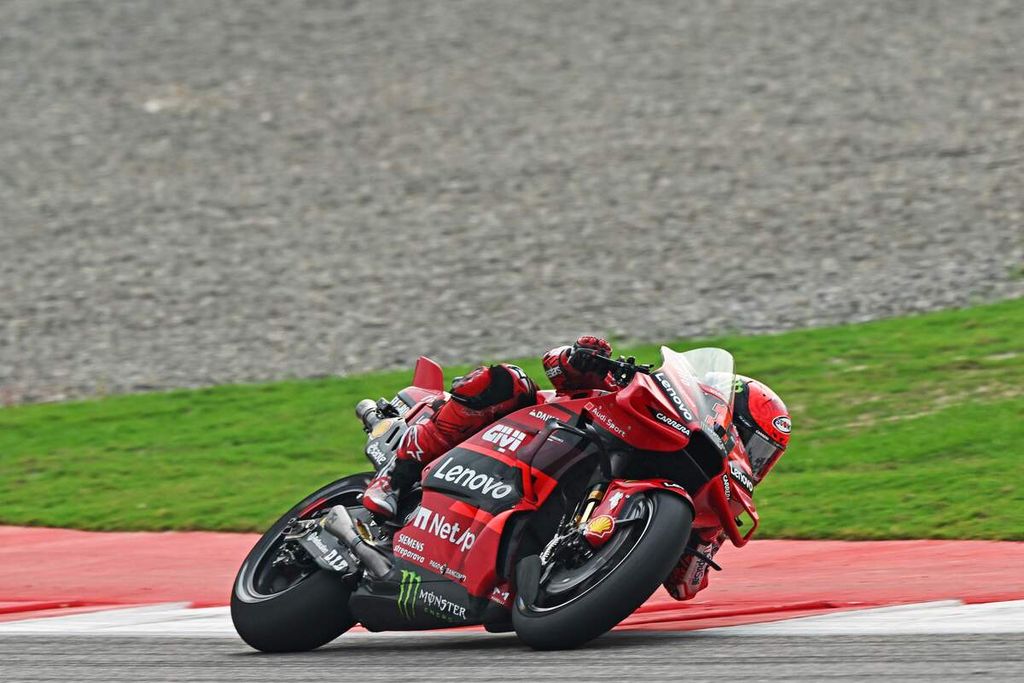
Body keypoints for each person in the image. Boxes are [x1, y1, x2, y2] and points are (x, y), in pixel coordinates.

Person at [362, 336, 618, 518]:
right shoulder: (608, 383)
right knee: (510, 379)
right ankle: (392, 479)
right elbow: (553, 363)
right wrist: (583, 361)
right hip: (524, 429)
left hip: (543, 483)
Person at [662, 376, 791, 600]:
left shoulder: (721, 501)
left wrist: (707, 534)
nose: (752, 462)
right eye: (749, 444)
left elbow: (685, 588)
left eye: (763, 455)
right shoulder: (667, 399)